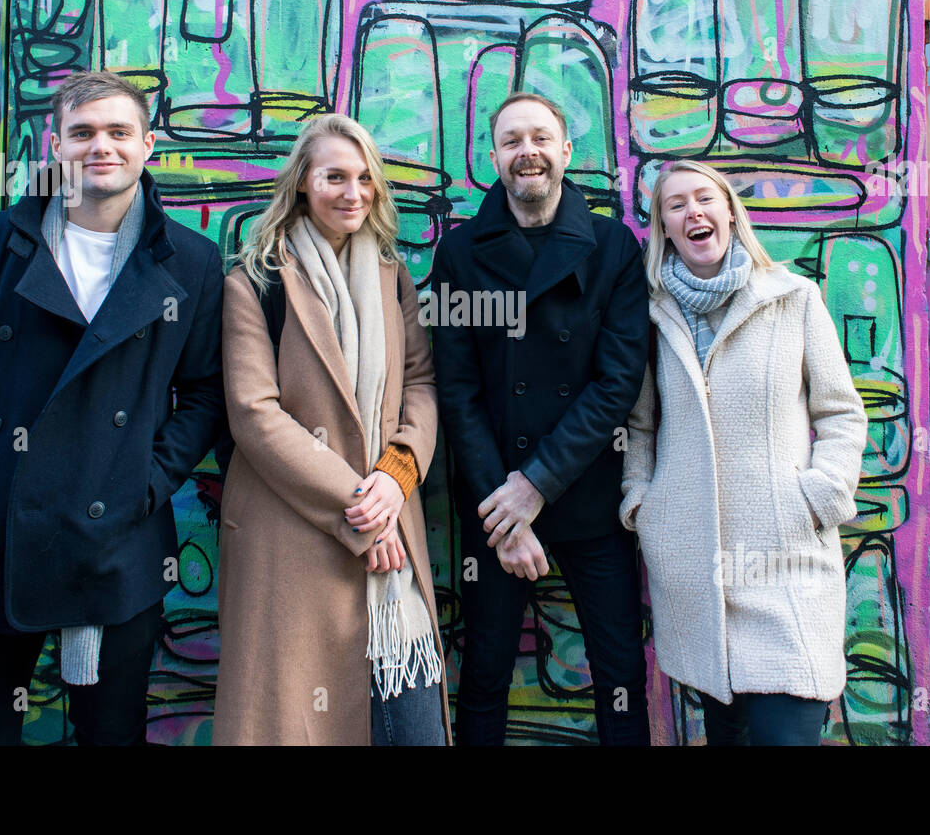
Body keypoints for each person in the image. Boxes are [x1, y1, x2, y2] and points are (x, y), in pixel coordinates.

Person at [0, 70, 227, 745]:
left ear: (147, 145)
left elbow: (206, 391)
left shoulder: (190, 262)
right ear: (55, 144)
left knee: (111, 737)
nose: (101, 146)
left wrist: (146, 483)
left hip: (114, 547)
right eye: (83, 132)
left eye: (118, 131)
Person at [213, 113, 448, 746]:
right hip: (293, 539)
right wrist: (361, 508)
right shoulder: (255, 281)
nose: (353, 193)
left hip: (392, 536)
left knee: (416, 730)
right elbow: (255, 414)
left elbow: (421, 384)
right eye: (334, 177)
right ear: (301, 183)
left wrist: (396, 477)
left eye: (365, 178)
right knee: (299, 723)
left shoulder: (391, 274)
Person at [620, 159, 868, 746]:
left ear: (730, 212)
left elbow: (840, 411)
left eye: (704, 198)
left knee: (789, 730)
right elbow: (640, 427)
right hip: (696, 573)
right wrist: (644, 504)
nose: (693, 212)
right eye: (676, 205)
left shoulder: (793, 297)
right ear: (664, 227)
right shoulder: (651, 316)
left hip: (786, 557)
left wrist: (823, 495)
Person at [431, 92, 650, 745]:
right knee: (483, 673)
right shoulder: (460, 253)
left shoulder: (613, 246)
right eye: (512, 141)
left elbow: (617, 382)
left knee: (620, 674)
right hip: (494, 497)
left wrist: (538, 483)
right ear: (494, 157)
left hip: (589, 497)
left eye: (540, 138)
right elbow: (458, 389)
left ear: (566, 151)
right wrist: (505, 509)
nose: (527, 151)